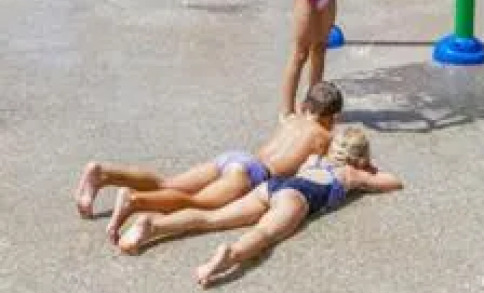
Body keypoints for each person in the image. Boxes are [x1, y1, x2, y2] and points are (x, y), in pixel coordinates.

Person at [116, 126, 402, 288]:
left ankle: (152, 226)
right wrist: (368, 169)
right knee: (264, 235)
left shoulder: (313, 160)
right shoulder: (353, 174)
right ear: (360, 158)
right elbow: (393, 182)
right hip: (298, 198)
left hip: (273, 186)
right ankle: (229, 257)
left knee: (211, 217)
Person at [74, 80, 343, 244]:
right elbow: (324, 166)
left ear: (306, 106)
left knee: (166, 183)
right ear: (332, 117)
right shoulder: (324, 136)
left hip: (237, 157)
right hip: (254, 174)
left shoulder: (292, 120)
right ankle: (134, 201)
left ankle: (103, 173)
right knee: (196, 203)